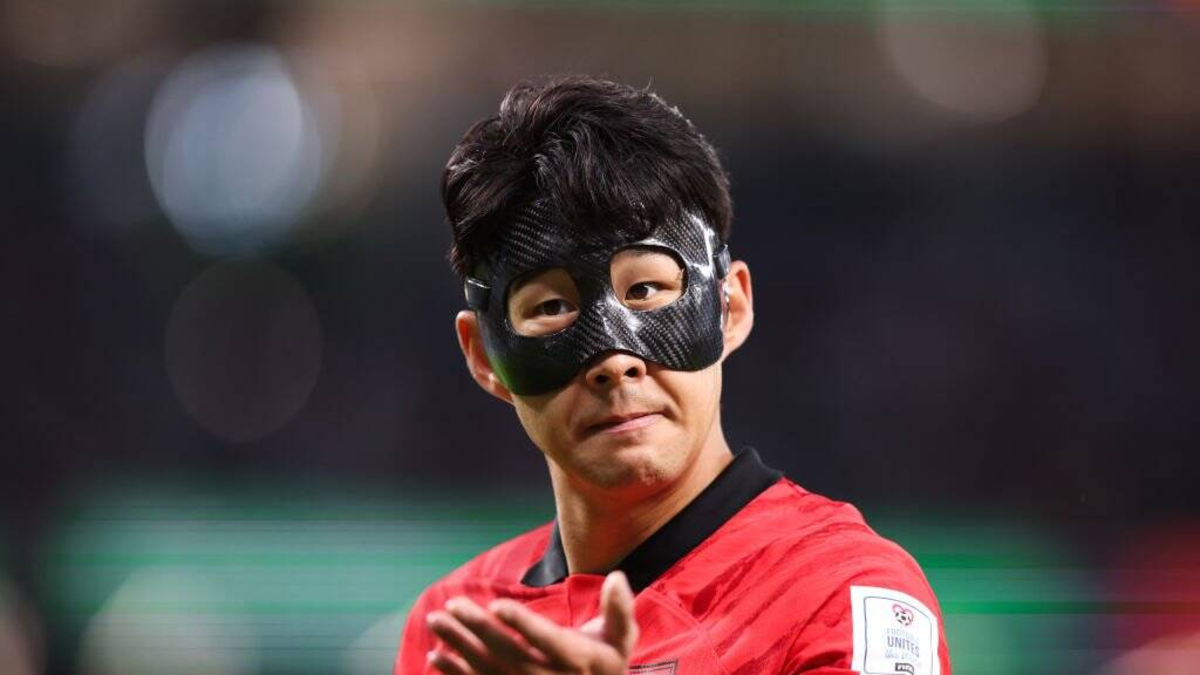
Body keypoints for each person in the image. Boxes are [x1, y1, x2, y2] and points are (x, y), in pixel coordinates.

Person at [395, 75, 951, 675]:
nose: (614, 361)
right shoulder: (458, 630)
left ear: (729, 307)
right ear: (484, 357)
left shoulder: (843, 593)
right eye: (551, 307)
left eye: (646, 289)